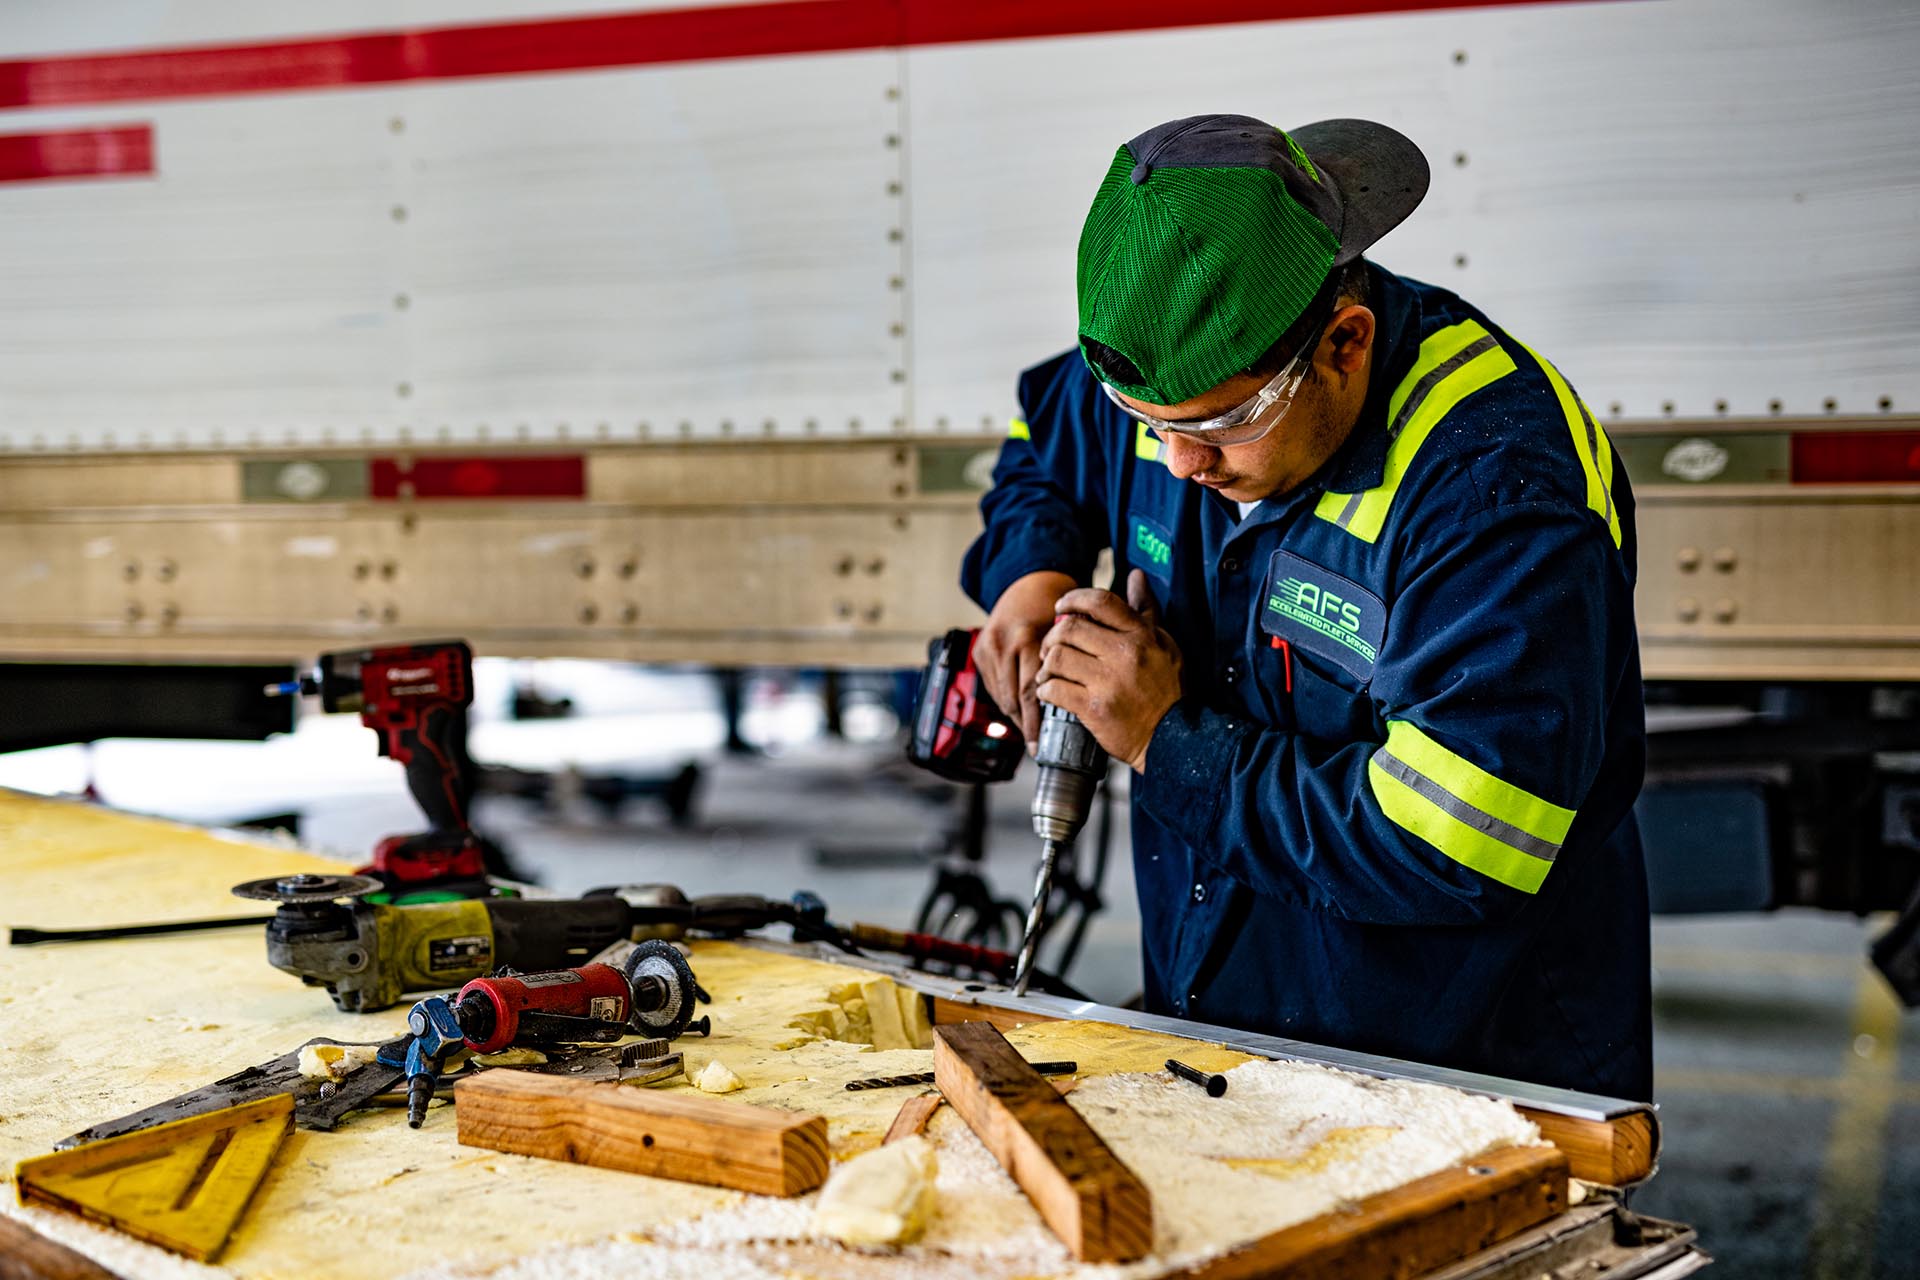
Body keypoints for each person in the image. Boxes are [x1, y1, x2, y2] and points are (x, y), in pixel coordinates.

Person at [962, 114, 1650, 1100]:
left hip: (1453, 1070)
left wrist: (1165, 739)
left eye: (1222, 426)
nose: (1178, 463)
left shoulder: (1497, 487)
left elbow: (1458, 844)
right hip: (1214, 1030)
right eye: (1145, 424)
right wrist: (1028, 576)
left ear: (1343, 343)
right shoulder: (1176, 370)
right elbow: (1043, 444)